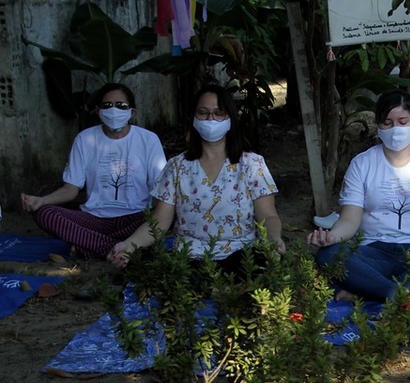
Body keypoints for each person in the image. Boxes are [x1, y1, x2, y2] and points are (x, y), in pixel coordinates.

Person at [108, 84, 284, 275]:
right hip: (190, 257)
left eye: (219, 113)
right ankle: (213, 288)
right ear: (193, 117)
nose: (210, 119)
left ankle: (214, 287)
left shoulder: (252, 164)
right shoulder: (177, 166)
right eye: (203, 112)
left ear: (230, 119)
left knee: (261, 265)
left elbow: (268, 215)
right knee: (151, 267)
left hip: (242, 255)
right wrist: (129, 245)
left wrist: (274, 240)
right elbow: (160, 221)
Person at [307, 89, 410, 303]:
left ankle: (370, 290)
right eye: (387, 123)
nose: (395, 129)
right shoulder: (362, 163)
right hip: (373, 251)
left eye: (402, 121)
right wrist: (331, 237)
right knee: (329, 256)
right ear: (378, 125)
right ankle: (399, 294)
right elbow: (350, 218)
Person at [20, 83, 166, 258]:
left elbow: (160, 189)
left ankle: (89, 245)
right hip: (94, 219)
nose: (113, 110)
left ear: (132, 112)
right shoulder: (84, 139)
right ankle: (119, 249)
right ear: (97, 111)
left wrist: (162, 217)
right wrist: (41, 200)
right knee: (45, 213)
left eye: (121, 105)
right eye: (107, 105)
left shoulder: (148, 140)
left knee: (167, 216)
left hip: (136, 217)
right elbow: (71, 189)